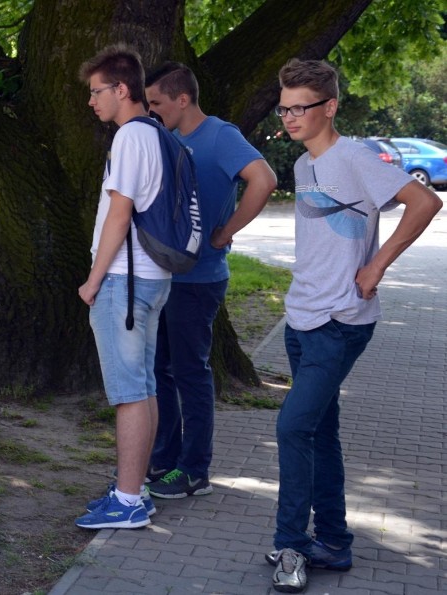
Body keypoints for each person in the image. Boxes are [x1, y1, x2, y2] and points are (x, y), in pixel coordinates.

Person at [267, 59, 442, 593]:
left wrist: (377, 264)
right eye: (285, 107)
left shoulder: (355, 158)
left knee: (292, 428)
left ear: (330, 107)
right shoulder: (303, 166)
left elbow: (425, 201)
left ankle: (292, 547)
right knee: (320, 432)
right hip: (301, 317)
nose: (291, 117)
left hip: (340, 321)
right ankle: (335, 544)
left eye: (302, 107)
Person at [142, 63, 277, 499]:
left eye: (157, 103)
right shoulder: (172, 138)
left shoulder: (220, 135)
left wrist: (226, 231)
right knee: (160, 371)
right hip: (165, 278)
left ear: (183, 99)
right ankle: (165, 459)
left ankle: (195, 471)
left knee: (190, 373)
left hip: (199, 282)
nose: (152, 111)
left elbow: (265, 179)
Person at [73, 44, 170, 530]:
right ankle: (138, 489)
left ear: (122, 89)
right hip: (152, 278)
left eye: (96, 92)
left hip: (124, 281)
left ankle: (129, 500)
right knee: (145, 385)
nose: (91, 102)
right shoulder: (156, 132)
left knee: (129, 391)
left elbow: (119, 213)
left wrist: (93, 280)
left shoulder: (131, 136)